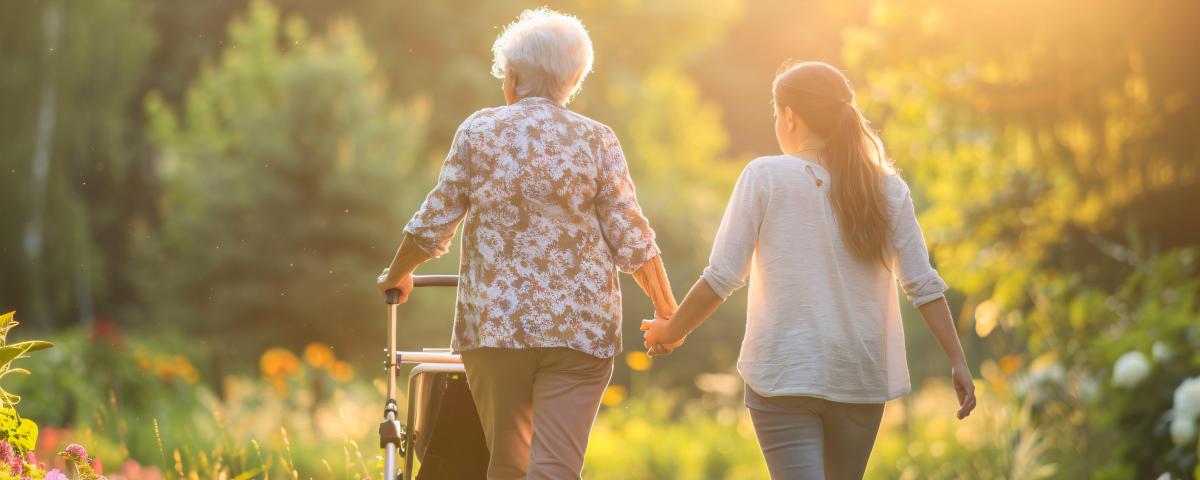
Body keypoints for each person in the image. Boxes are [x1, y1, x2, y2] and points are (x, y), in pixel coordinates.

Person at [376, 8, 677, 480]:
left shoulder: (479, 131)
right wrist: (666, 310)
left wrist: (396, 275)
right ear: (573, 80)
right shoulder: (597, 140)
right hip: (580, 330)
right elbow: (632, 237)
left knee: (509, 464)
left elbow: (434, 221)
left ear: (512, 77)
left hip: (497, 327)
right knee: (556, 467)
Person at [642, 61, 977, 480]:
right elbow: (922, 284)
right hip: (858, 373)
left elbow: (722, 277)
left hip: (784, 372)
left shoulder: (764, 176)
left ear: (789, 117)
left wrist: (671, 331)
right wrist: (958, 361)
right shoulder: (888, 188)